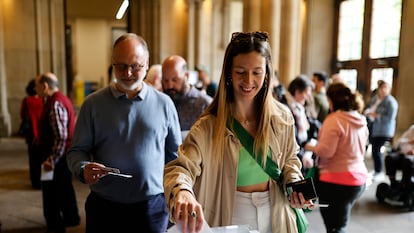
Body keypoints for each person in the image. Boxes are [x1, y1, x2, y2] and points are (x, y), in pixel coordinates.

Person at [163, 31, 312, 233]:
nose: (248, 80)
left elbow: (289, 160)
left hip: (277, 212)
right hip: (230, 214)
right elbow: (181, 167)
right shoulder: (208, 127)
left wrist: (294, 182)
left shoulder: (282, 117)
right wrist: (183, 191)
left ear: (267, 73)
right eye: (241, 72)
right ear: (229, 74)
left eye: (257, 72)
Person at [66, 33, 181, 233]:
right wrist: (83, 168)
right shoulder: (93, 105)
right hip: (104, 208)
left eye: (135, 66)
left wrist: (176, 193)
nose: (127, 72)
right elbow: (77, 150)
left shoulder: (164, 104)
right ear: (112, 64)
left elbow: (175, 157)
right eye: (120, 65)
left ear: (147, 64)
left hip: (151, 208)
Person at [305, 82, 369, 233]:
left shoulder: (334, 120)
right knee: (339, 223)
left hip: (336, 182)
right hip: (358, 180)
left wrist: (310, 146)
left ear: (332, 100)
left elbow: (326, 151)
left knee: (335, 227)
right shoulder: (360, 119)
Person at [34, 72, 80, 233]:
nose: (35, 89)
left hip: (57, 158)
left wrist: (51, 159)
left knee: (51, 196)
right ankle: (72, 218)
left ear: (45, 86)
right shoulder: (61, 98)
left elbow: (61, 137)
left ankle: (55, 226)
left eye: (37, 86)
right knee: (65, 189)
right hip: (63, 157)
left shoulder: (55, 103)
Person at [162, 55, 213, 133]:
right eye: (166, 80)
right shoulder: (160, 102)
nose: (170, 85)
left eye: (174, 80)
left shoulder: (205, 105)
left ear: (187, 76)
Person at [364, 80, 399, 180]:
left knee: (376, 150)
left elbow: (390, 118)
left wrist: (376, 115)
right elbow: (370, 108)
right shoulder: (376, 98)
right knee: (373, 150)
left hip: (384, 130)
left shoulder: (391, 102)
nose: (382, 90)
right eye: (381, 88)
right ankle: (376, 170)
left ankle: (379, 171)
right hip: (373, 127)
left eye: (385, 88)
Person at [286, 75, 320, 172]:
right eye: (307, 92)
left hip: (303, 150)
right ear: (297, 92)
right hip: (294, 155)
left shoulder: (299, 107)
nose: (309, 96)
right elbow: (293, 139)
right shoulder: (287, 109)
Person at [20, 78, 43, 189]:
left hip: (31, 134)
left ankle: (35, 182)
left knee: (33, 159)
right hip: (43, 133)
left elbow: (22, 115)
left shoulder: (26, 101)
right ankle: (43, 180)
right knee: (42, 158)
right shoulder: (44, 100)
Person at [385, 124, 414, 192]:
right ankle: (393, 183)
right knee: (390, 158)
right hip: (404, 152)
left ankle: (405, 185)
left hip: (410, 157)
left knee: (407, 161)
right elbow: (400, 141)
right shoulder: (412, 128)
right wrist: (408, 142)